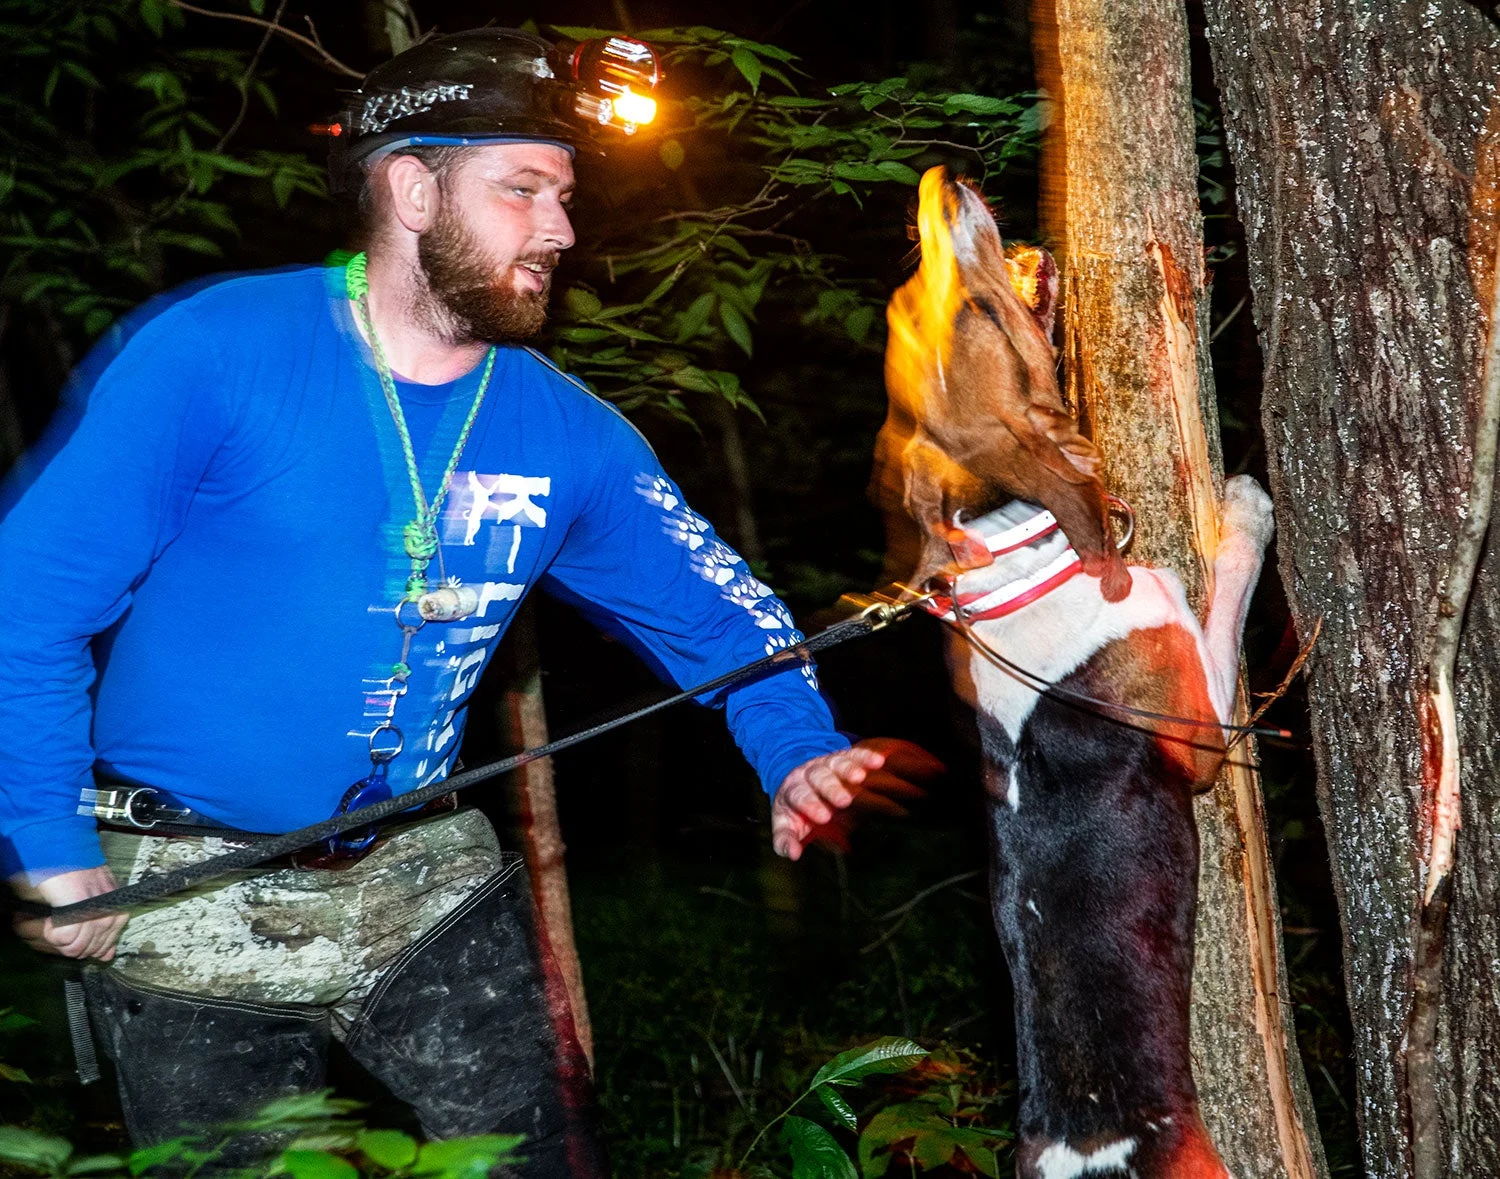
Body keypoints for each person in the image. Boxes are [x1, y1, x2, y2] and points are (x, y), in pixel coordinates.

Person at [0, 28, 914, 1177]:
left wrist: (794, 748)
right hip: (191, 891)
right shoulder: (220, 352)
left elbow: (718, 612)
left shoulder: (566, 428)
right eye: (522, 190)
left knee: (545, 1161)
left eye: (566, 196)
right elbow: (23, 601)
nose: (562, 231)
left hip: (421, 873)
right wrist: (46, 838)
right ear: (413, 188)